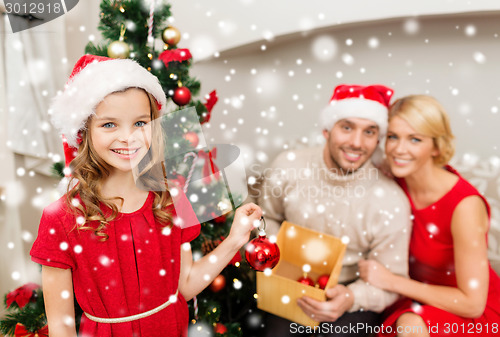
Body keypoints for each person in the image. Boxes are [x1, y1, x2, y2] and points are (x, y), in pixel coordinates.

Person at [30, 55, 262, 337]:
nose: (128, 138)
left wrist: (234, 239)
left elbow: (185, 285)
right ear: (84, 132)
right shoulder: (61, 219)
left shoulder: (172, 199)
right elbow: (61, 328)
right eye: (109, 125)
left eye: (140, 123)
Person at [258, 84, 412, 337]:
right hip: (289, 285)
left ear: (378, 139)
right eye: (347, 127)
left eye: (369, 132)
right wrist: (276, 255)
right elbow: (267, 218)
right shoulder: (288, 166)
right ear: (327, 129)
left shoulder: (390, 200)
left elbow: (392, 280)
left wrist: (352, 297)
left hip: (352, 296)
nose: (356, 143)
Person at [359, 95, 500, 337]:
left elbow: (472, 304)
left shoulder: (465, 206)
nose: (399, 149)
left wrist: (391, 281)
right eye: (393, 137)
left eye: (415, 139)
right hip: (414, 300)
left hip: (466, 309)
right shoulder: (392, 180)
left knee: (410, 326)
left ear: (436, 146)